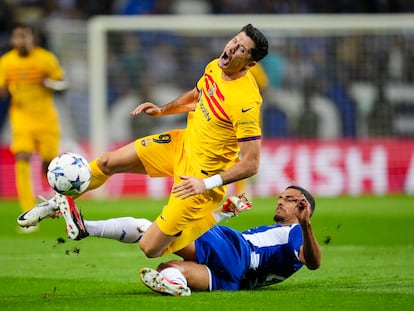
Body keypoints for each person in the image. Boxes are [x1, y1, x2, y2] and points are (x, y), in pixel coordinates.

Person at [17, 24, 269, 257]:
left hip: (201, 176)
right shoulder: (215, 65)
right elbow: (198, 94)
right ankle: (53, 206)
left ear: (250, 63)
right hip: (180, 143)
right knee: (106, 162)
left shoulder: (245, 102)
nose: (232, 48)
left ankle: (218, 213)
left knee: (151, 248)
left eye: (241, 49)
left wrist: (206, 184)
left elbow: (251, 164)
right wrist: (162, 110)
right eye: (234, 41)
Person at [54, 185, 321, 296]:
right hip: (235, 280)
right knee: (167, 270)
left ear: (302, 207)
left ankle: (85, 227)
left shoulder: (296, 230)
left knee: (157, 229)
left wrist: (306, 223)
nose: (280, 201)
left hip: (238, 253)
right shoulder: (283, 234)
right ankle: (176, 285)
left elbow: (313, 262)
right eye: (281, 197)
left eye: (287, 199)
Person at [0, 22, 68, 231]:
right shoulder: (6, 62)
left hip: (46, 119)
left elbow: (63, 85)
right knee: (22, 157)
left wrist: (49, 83)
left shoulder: (45, 59)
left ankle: (59, 206)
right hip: (21, 118)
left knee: (49, 165)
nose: (21, 41)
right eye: (18, 37)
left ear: (32, 38)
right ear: (12, 40)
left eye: (25, 36)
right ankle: (28, 215)